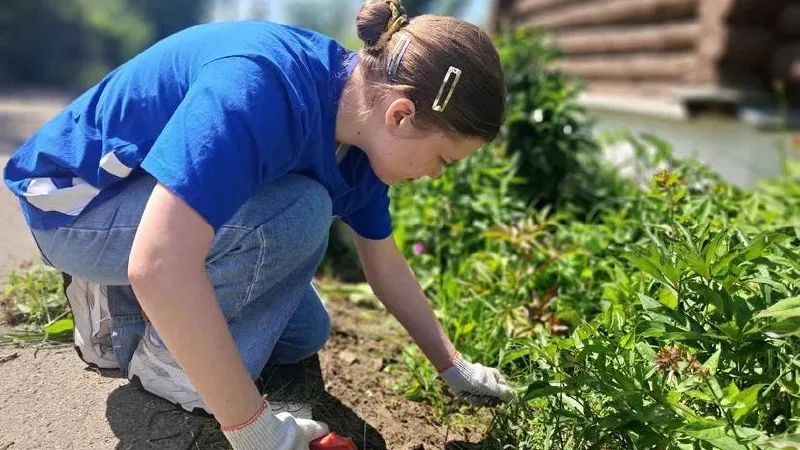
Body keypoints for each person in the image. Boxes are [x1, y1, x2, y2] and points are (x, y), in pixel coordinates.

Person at [3, 0, 515, 448]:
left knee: (303, 332)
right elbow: (158, 263)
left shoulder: (360, 136)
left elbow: (385, 264)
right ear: (401, 116)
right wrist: (253, 428)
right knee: (301, 211)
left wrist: (453, 366)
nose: (432, 176)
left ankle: (126, 304)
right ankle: (152, 354)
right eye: (443, 160)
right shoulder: (260, 85)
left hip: (148, 213)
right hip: (79, 205)